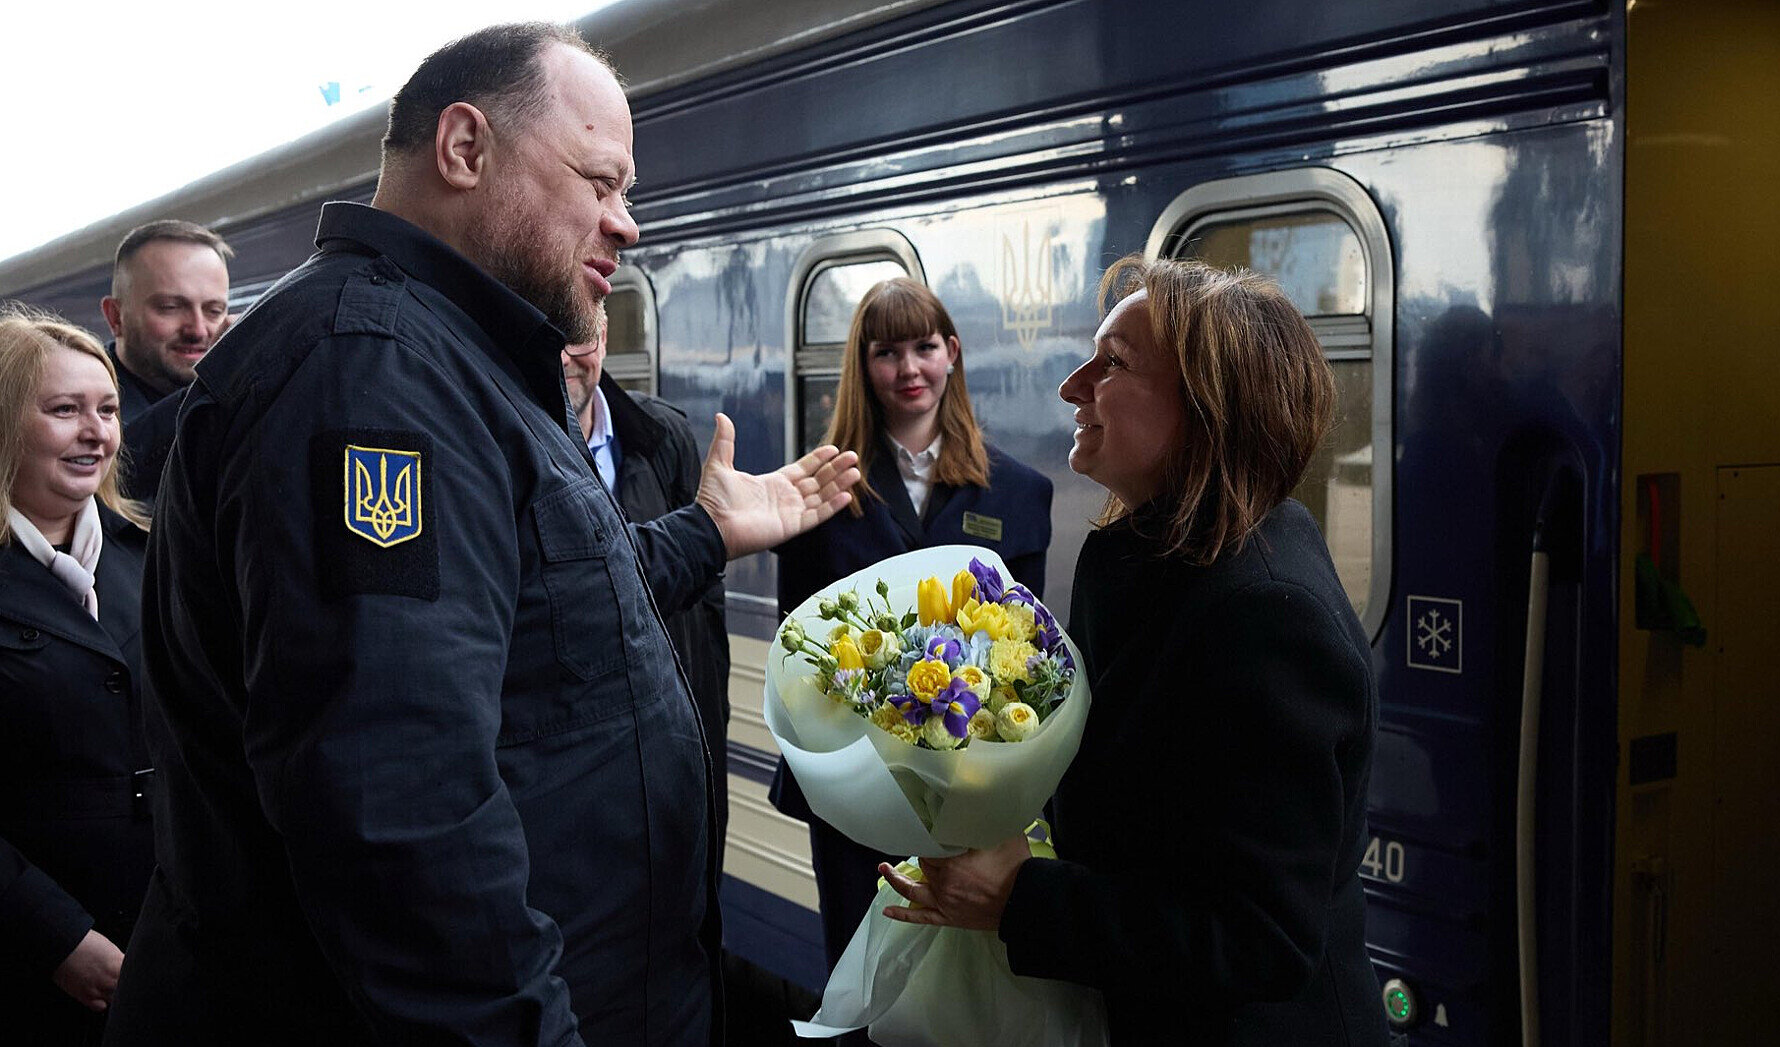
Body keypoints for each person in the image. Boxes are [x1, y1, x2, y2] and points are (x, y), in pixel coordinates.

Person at [102, 23, 859, 1047]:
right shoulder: (370, 377)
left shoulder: (451, 363)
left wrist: (702, 535)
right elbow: (399, 817)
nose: (626, 224)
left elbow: (530, 609)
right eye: (601, 181)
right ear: (465, 149)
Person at [878, 256, 1391, 1047]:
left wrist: (1021, 899)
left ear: (1208, 406)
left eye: (1112, 363)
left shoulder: (1270, 615)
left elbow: (1264, 940)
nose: (1071, 385)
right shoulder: (1149, 557)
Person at [768, 276, 1053, 984]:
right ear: (863, 367)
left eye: (924, 346)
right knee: (864, 975)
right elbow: (795, 646)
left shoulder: (1019, 493)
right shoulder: (819, 493)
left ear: (951, 352)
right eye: (887, 351)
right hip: (850, 793)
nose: (909, 369)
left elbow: (1027, 654)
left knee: (963, 983)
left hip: (970, 786)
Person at [0, 305, 153, 1045]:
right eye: (65, 410)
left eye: (108, 409)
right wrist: (54, 934)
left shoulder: (149, 557)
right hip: (31, 964)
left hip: (170, 942)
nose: (97, 433)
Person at [562, 310, 730, 805]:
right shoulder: (508, 452)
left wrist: (708, 732)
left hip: (675, 754)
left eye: (576, 337)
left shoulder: (663, 436)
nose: (564, 358)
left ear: (604, 338)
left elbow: (704, 613)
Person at [96, 221, 234, 501]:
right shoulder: (75, 394)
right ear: (116, 317)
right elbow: (114, 471)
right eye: (170, 308)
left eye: (214, 310)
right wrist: (218, 381)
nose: (198, 330)